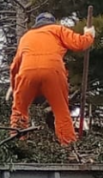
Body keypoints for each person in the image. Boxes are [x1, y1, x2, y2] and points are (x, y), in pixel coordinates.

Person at [9, 12, 96, 146]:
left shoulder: (26, 37)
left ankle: (16, 145)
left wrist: (15, 86)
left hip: (27, 72)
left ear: (37, 24)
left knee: (19, 111)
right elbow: (79, 44)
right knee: (61, 112)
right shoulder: (58, 29)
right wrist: (89, 34)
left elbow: (15, 66)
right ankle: (69, 148)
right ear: (52, 22)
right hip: (53, 71)